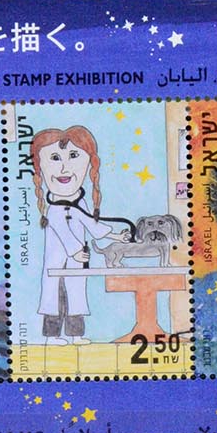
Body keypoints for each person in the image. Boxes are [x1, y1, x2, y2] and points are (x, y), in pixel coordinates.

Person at [28, 126, 135, 340]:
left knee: (76, 297)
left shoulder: (80, 202)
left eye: (74, 156)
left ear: (88, 163)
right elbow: (62, 231)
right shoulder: (54, 208)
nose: (64, 168)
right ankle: (52, 337)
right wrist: (75, 251)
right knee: (56, 298)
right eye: (55, 158)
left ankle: (76, 336)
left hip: (77, 264)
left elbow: (91, 224)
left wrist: (116, 236)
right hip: (58, 265)